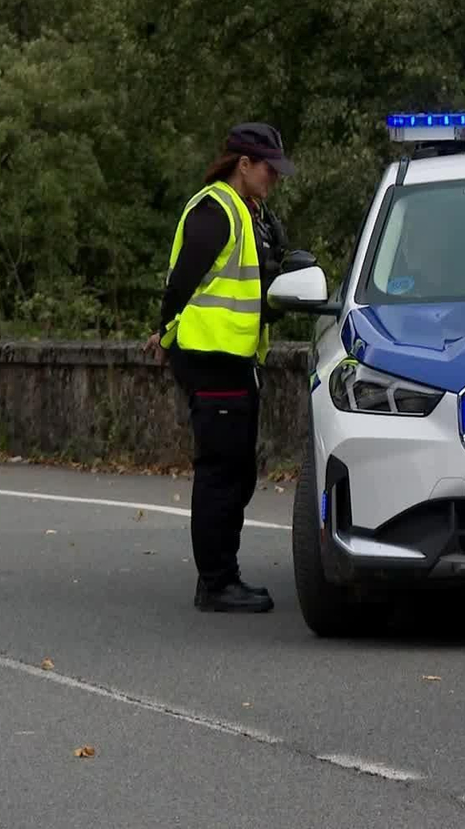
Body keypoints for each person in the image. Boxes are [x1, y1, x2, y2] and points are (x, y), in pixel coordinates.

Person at [143, 122, 295, 613]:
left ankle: (221, 577)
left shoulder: (253, 212)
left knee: (238, 471)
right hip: (211, 360)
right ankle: (216, 582)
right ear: (243, 164)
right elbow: (181, 285)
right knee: (221, 473)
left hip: (233, 359)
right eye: (269, 167)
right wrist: (165, 334)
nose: (275, 177)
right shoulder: (216, 210)